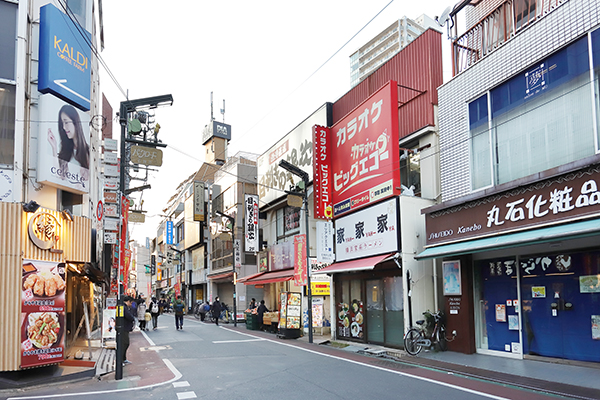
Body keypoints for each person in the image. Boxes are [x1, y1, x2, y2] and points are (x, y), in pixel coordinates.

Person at [47, 104, 90, 181]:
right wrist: (54, 147)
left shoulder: (89, 152)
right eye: (62, 123)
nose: (64, 127)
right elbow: (57, 177)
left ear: (75, 122)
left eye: (66, 122)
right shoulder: (65, 151)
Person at [122, 296, 136, 365]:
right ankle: (121, 360)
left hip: (124, 328)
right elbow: (129, 316)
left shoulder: (125, 307)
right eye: (131, 302)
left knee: (125, 343)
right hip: (123, 328)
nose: (131, 304)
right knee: (125, 343)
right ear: (128, 301)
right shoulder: (123, 307)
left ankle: (123, 359)